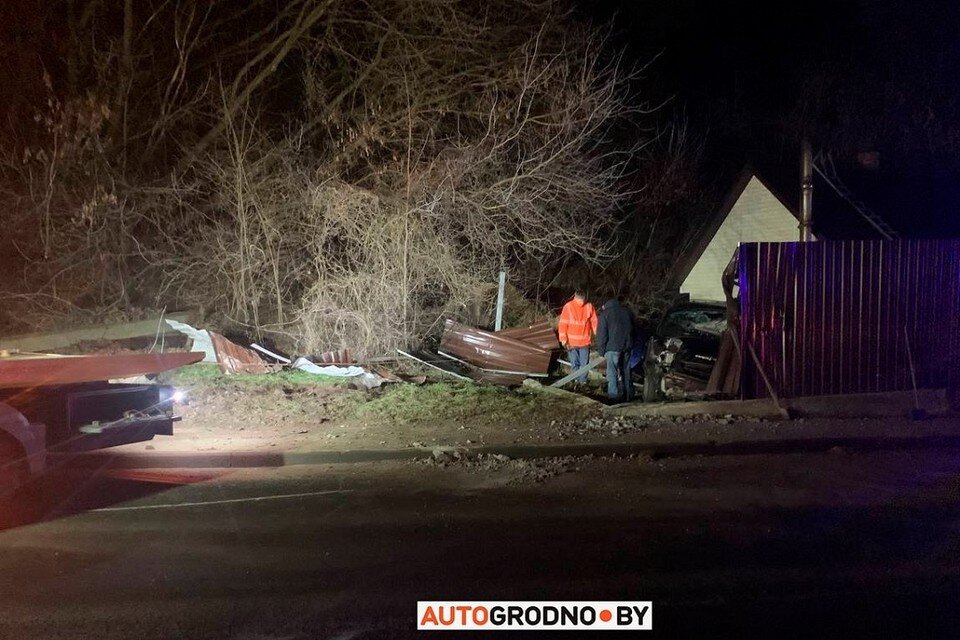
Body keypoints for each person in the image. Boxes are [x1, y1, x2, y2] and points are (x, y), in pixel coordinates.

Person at [596, 297, 635, 402]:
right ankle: (628, 395)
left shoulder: (604, 315)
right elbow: (634, 329)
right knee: (626, 370)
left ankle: (613, 396)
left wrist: (601, 350)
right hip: (627, 346)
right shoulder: (627, 312)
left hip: (612, 347)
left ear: (604, 305)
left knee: (612, 372)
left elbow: (602, 335)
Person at [557, 290, 598, 386]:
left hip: (584, 342)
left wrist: (597, 333)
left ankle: (582, 382)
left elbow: (594, 321)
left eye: (583, 300)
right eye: (580, 300)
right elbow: (563, 324)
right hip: (572, 343)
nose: (581, 302)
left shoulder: (589, 306)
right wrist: (563, 338)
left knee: (584, 364)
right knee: (574, 363)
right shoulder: (568, 307)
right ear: (575, 298)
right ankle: (575, 381)